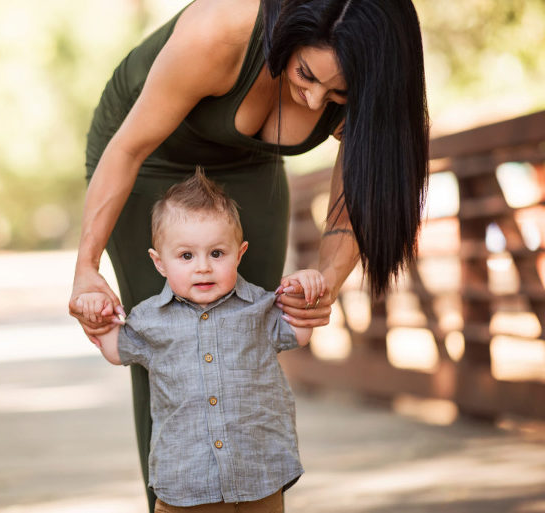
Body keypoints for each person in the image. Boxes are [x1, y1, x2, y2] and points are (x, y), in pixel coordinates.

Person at [70, 0, 429, 509]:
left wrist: (323, 282)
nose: (312, 100)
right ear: (290, 33)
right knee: (170, 345)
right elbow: (127, 149)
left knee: (249, 334)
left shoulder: (368, 79)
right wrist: (86, 268)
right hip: (148, 156)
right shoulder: (219, 31)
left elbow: (357, 201)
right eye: (306, 74)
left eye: (338, 94)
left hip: (248, 164)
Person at [78, 168, 326, 511]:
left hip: (259, 474)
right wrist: (97, 314)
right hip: (187, 482)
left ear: (239, 254)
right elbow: (115, 349)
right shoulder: (150, 319)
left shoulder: (260, 306)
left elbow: (298, 331)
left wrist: (308, 285)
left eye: (216, 253)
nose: (203, 267)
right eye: (186, 256)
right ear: (159, 262)